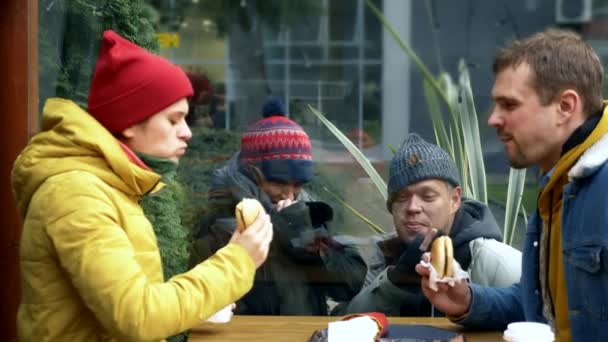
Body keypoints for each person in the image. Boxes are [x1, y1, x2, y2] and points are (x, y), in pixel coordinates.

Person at [11, 30, 273, 341]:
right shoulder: (77, 194)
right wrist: (237, 260)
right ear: (129, 121)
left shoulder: (106, 186)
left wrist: (205, 300)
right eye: (174, 120)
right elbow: (138, 318)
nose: (187, 133)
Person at [416, 28, 608, 342]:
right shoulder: (558, 185)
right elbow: (541, 308)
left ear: (566, 106)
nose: (493, 119)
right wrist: (467, 300)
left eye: (509, 105)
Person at [190, 97, 368, 315]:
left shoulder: (307, 213)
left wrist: (307, 239)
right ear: (252, 174)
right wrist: (277, 231)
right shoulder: (221, 224)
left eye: (298, 185)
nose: (289, 195)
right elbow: (208, 304)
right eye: (279, 183)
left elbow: (351, 286)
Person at [333, 133, 521, 316]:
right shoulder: (383, 256)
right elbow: (347, 325)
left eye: (428, 196)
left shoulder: (499, 264)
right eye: (402, 197)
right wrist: (394, 282)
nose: (413, 207)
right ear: (391, 206)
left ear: (454, 200)